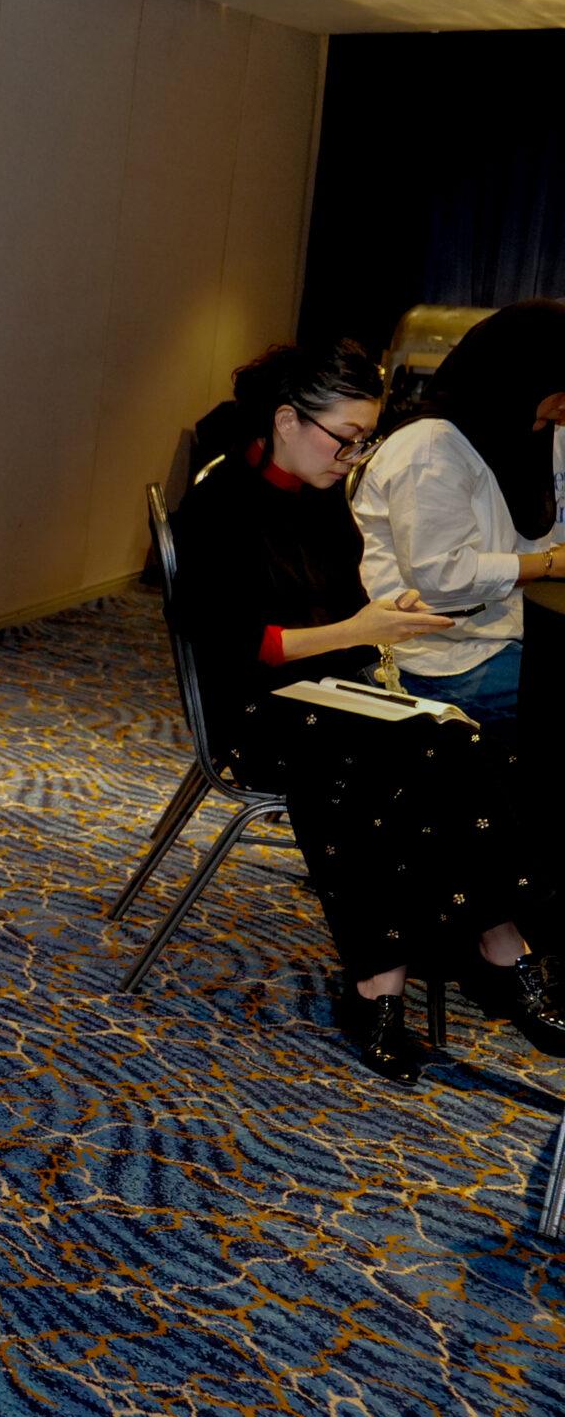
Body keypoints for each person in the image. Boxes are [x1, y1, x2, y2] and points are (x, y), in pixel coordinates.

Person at [171, 341, 564, 1080]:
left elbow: (347, 611)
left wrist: (387, 616)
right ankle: (460, 965)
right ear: (287, 420)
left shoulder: (319, 497)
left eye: (365, 440)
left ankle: (463, 958)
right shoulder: (220, 501)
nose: (354, 457)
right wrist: (360, 630)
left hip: (329, 696)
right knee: (389, 757)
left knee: (451, 740)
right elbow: (237, 647)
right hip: (255, 710)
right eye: (345, 438)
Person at [351, 297, 565, 731]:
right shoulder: (430, 448)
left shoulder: (526, 431)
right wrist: (548, 564)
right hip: (431, 656)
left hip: (498, 634)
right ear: (523, 377)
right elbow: (443, 577)